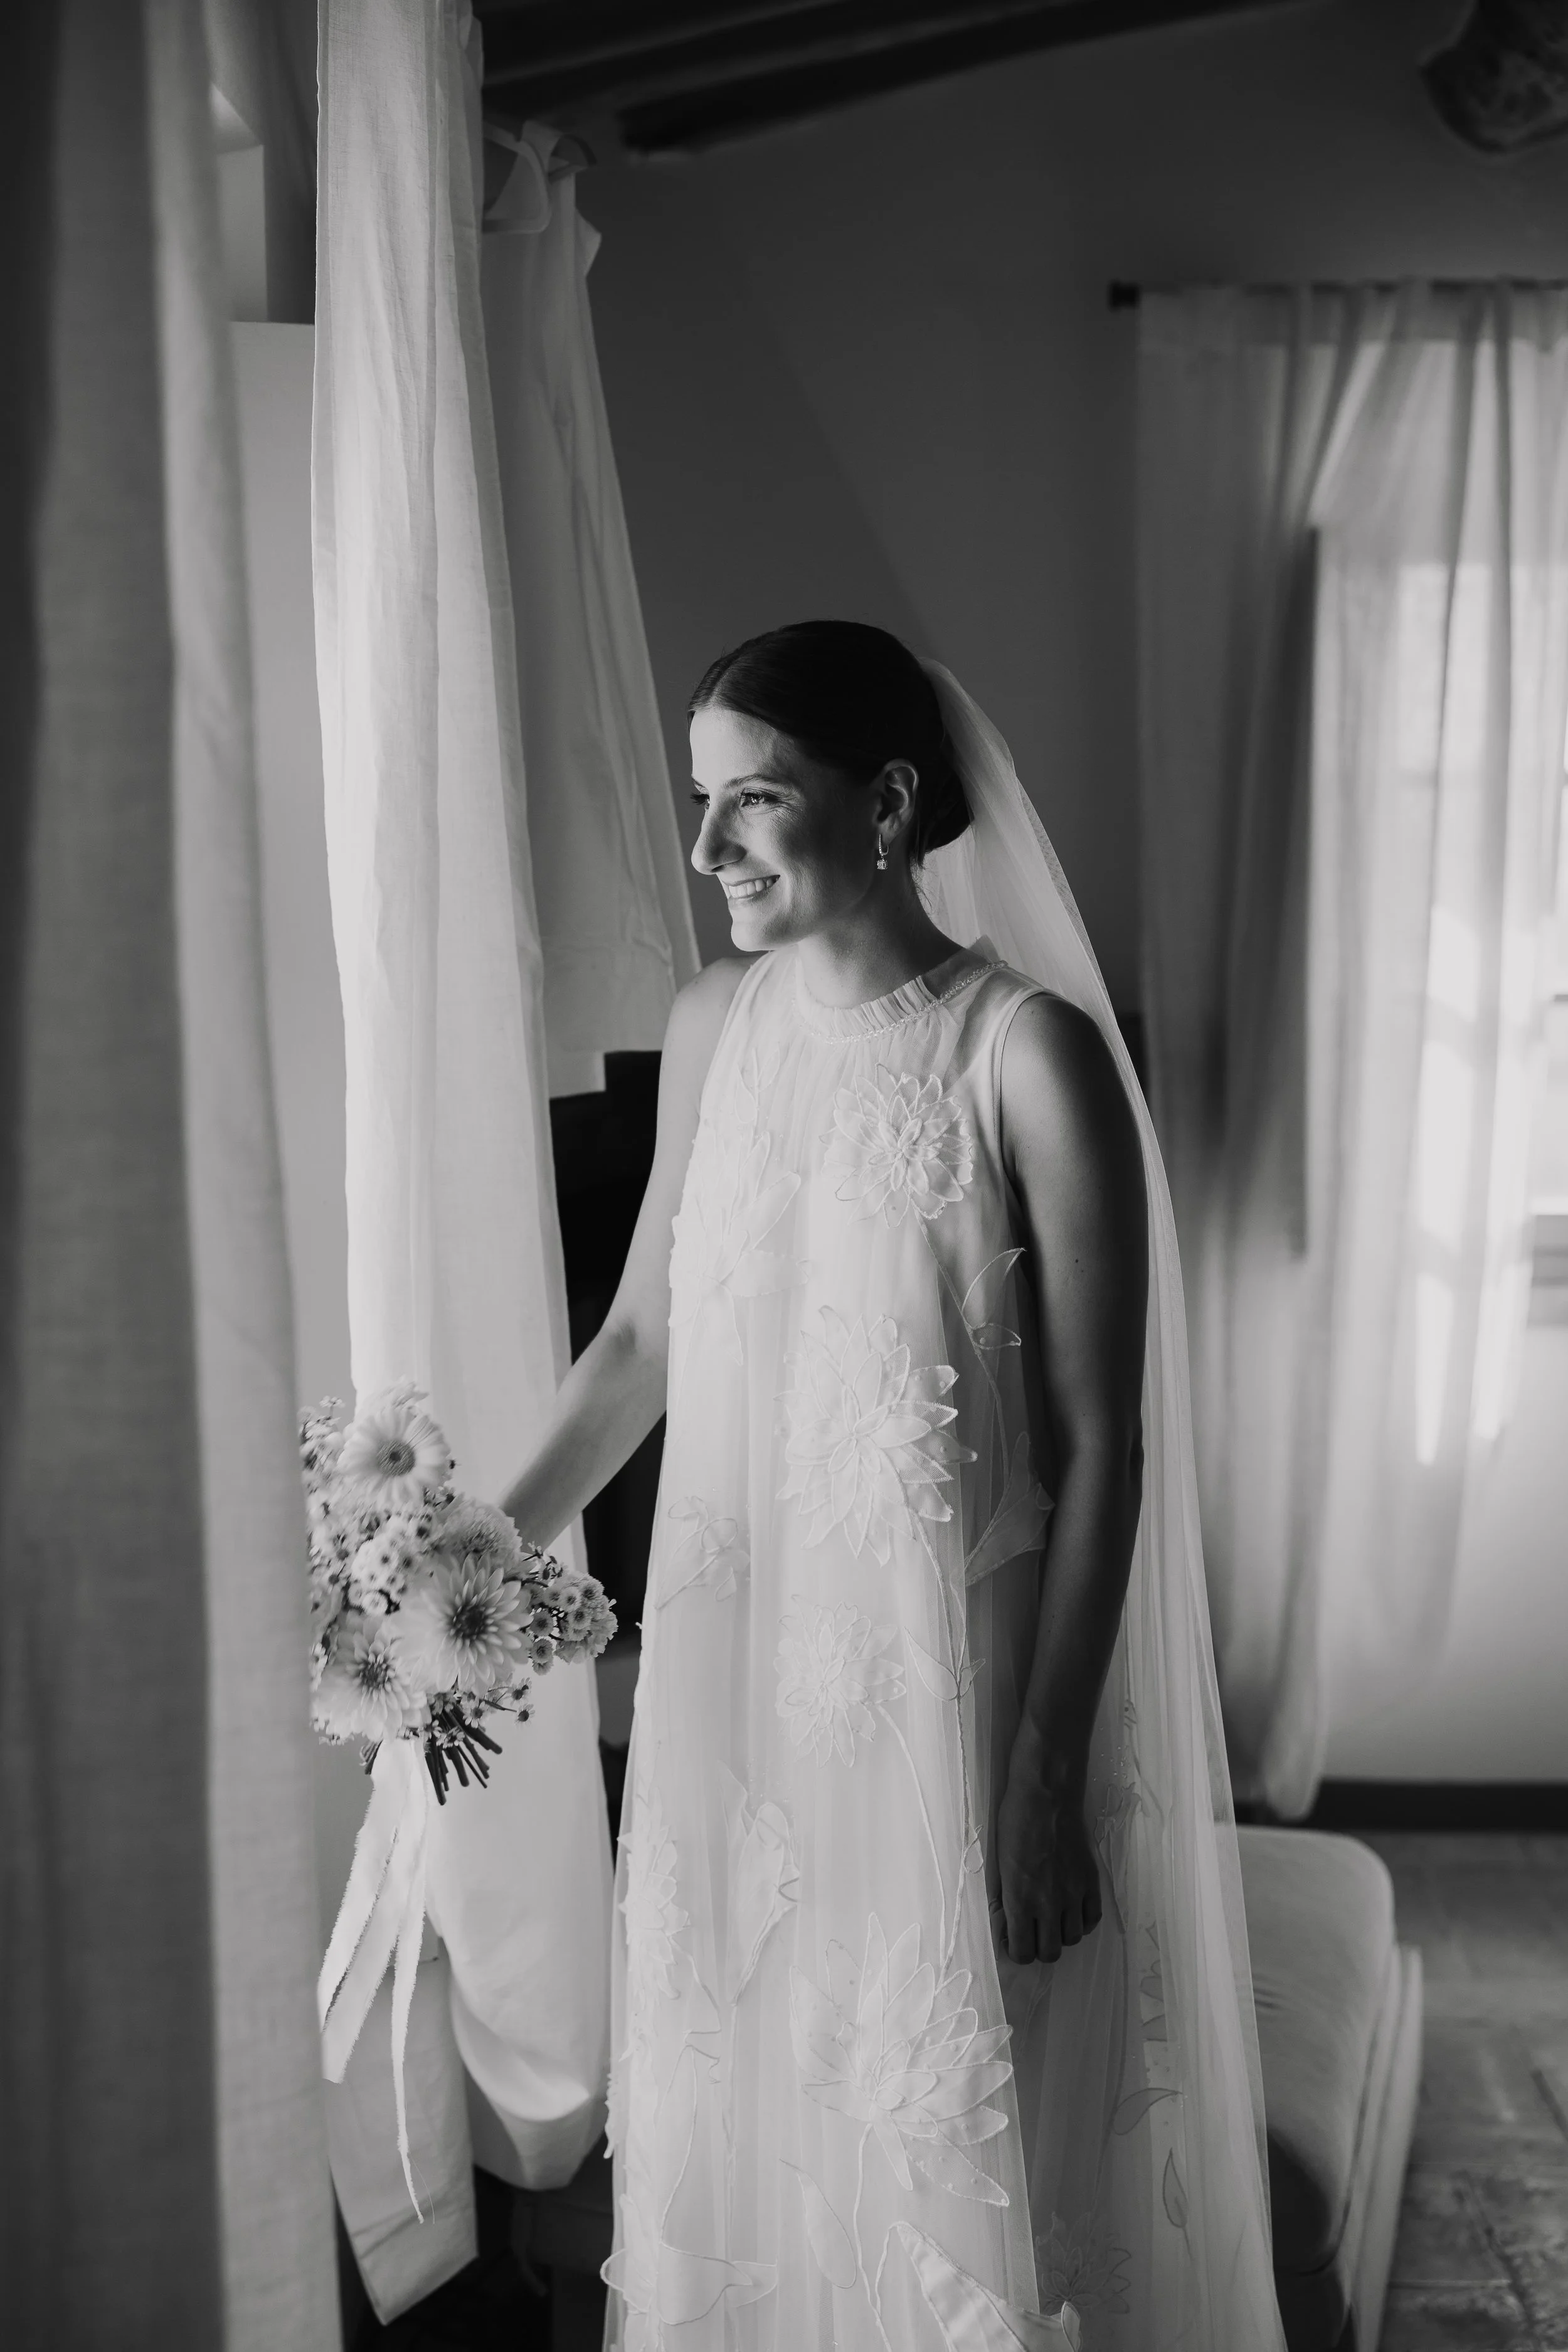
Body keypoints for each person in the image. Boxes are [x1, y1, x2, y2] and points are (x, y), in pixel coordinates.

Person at [502, 622, 1285, 2351]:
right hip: (741, 1694)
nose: (705, 849)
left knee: (945, 2154)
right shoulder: (713, 1022)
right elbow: (639, 1339)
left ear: (888, 803)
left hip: (952, 1698)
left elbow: (1102, 1451)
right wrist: (477, 1562)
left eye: (750, 801)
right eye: (700, 802)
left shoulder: (1026, 1052)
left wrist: (1038, 1767)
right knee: (755, 2125)